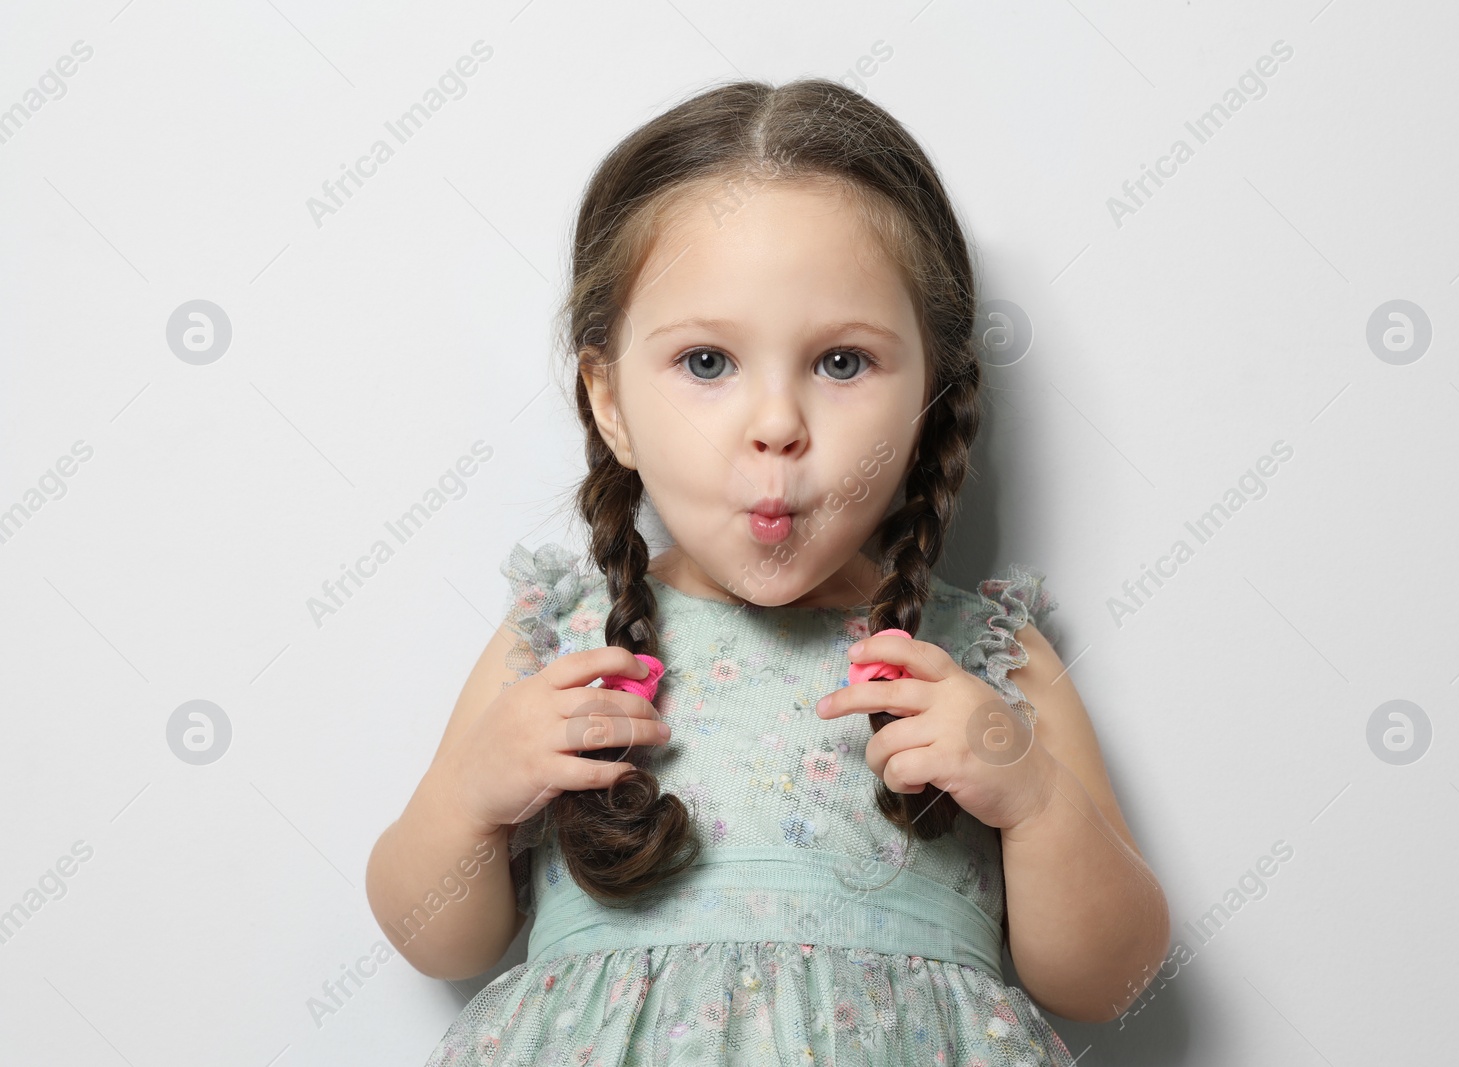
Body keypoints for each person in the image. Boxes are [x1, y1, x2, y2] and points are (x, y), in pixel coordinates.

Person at [367, 76, 1170, 1065]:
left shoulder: (981, 658)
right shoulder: (562, 644)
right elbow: (438, 937)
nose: (777, 425)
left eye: (841, 362)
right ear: (608, 397)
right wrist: (468, 797)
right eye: (707, 362)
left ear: (932, 396)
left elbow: (1109, 978)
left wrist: (1036, 799)